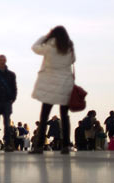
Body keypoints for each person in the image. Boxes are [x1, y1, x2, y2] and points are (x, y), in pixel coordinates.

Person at [29, 26, 75, 154]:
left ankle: (38, 146)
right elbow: (73, 60)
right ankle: (66, 145)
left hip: (50, 85)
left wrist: (45, 36)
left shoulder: (49, 47)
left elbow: (35, 48)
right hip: (65, 84)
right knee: (64, 116)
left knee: (44, 117)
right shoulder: (69, 47)